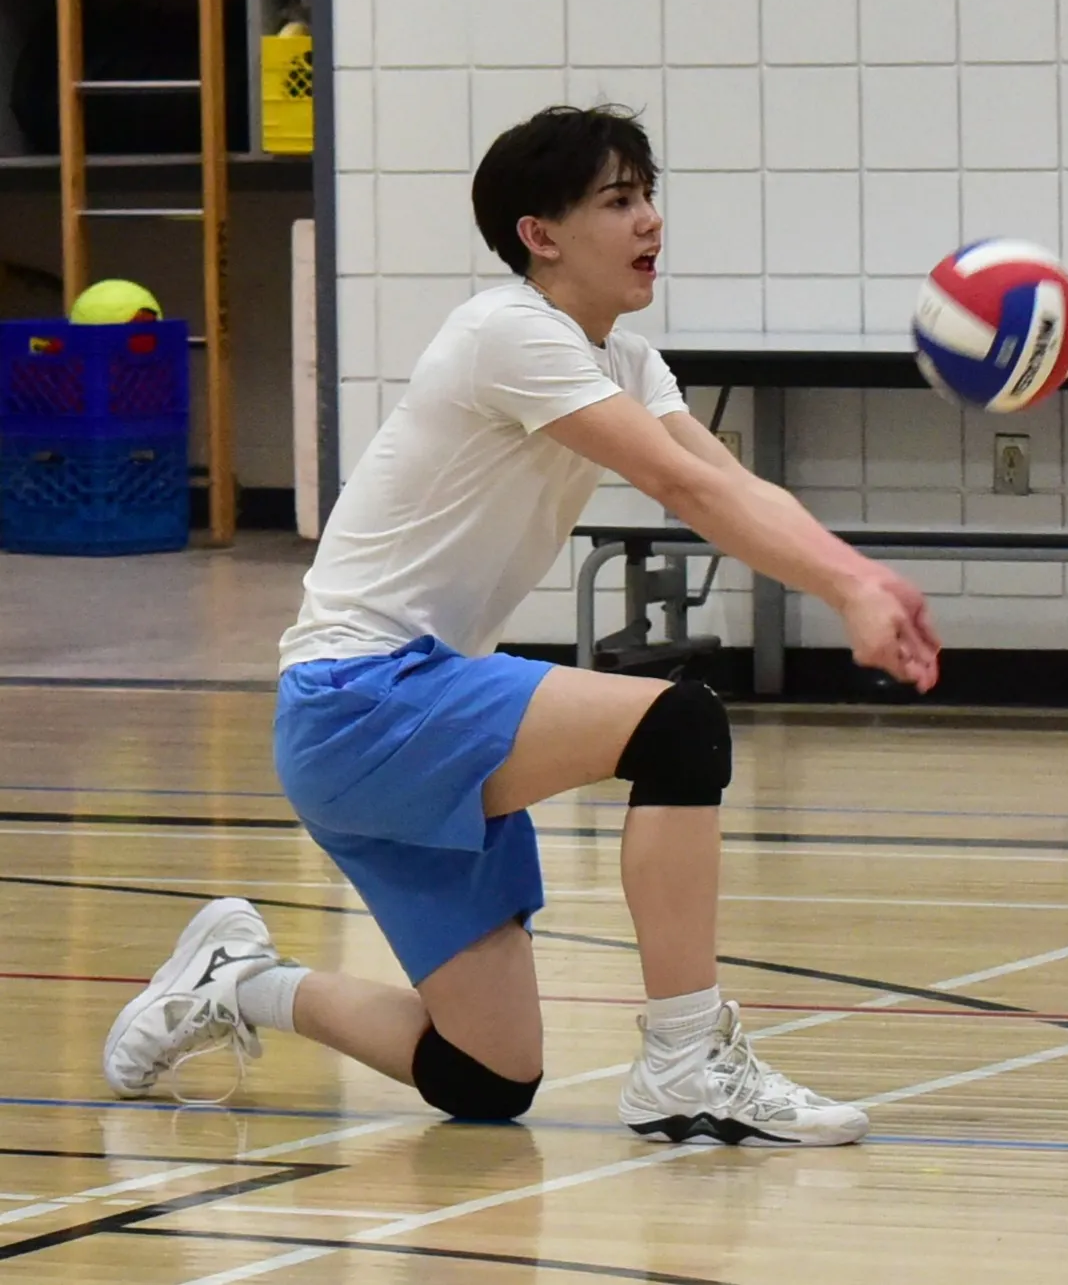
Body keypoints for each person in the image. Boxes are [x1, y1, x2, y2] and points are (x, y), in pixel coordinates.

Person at [103, 105, 940, 1147]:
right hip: (362, 698)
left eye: (646, 194)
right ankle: (684, 1059)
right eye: (617, 200)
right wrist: (849, 589)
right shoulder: (508, 331)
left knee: (484, 1074)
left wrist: (859, 578)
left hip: (405, 717)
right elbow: (677, 482)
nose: (649, 220)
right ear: (539, 234)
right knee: (680, 724)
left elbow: (728, 481)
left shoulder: (624, 360)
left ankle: (241, 981)